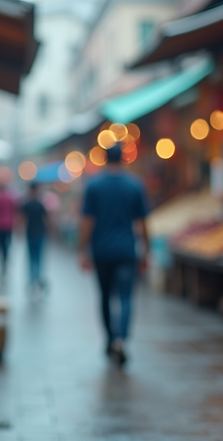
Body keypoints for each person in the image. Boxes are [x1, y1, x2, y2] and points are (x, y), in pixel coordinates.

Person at [79, 143, 150, 365]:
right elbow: (142, 221)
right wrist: (146, 249)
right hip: (127, 250)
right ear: (123, 159)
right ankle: (121, 339)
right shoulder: (134, 185)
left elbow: (87, 221)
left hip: (101, 251)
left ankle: (111, 339)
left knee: (105, 297)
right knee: (126, 296)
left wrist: (83, 249)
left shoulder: (94, 186)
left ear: (104, 158)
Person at [20, 183, 50, 293]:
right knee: (39, 258)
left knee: (32, 258)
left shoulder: (27, 205)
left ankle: (33, 280)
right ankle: (38, 279)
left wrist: (19, 230)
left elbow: (21, 219)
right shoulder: (40, 205)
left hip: (31, 234)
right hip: (40, 234)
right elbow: (46, 219)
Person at [0, 183, 17, 280]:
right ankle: (5, 260)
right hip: (9, 225)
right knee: (6, 245)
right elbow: (14, 211)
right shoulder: (10, 198)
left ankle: (1, 260)